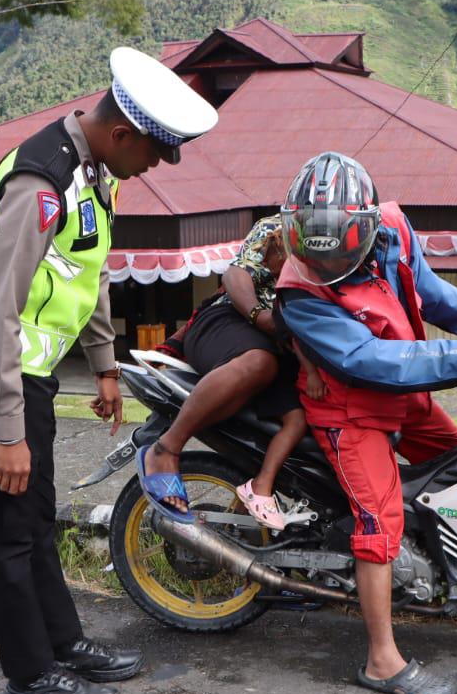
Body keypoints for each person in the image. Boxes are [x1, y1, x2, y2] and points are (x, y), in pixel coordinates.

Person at [0, 47, 217, 694]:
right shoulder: (42, 184)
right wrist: (6, 430)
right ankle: (29, 675)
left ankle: (62, 642)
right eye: (153, 153)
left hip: (25, 375)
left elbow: (86, 276)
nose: (153, 167)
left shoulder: (96, 176)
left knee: (34, 515)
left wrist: (106, 365)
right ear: (122, 134)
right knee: (4, 527)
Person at [275, 152, 457, 694]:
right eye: (313, 248)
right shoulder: (300, 290)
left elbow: (428, 292)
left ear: (366, 227)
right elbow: (368, 360)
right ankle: (381, 661)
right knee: (379, 522)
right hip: (351, 412)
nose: (324, 264)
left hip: (406, 392)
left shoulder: (394, 230)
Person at [137, 216, 324, 531]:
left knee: (305, 420)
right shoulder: (276, 228)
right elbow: (237, 274)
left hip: (287, 349)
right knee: (259, 363)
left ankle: (253, 505)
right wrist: (258, 315)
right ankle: (165, 449)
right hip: (235, 322)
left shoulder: (348, 248)